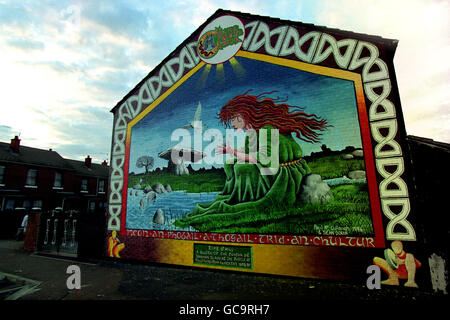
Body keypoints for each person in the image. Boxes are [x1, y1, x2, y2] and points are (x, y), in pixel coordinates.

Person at [175, 91, 330, 229]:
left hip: (286, 173)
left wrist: (233, 152)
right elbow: (248, 151)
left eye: (235, 118)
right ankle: (237, 197)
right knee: (231, 163)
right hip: (271, 167)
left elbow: (263, 157)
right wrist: (229, 151)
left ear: (245, 115)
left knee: (243, 168)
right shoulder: (252, 131)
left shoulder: (266, 129)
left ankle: (250, 199)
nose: (233, 123)